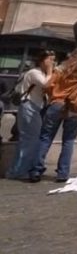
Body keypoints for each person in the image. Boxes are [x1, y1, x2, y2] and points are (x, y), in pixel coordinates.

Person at [30, 50, 77, 183]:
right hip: (76, 107)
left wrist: (52, 92)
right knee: (68, 140)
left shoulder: (61, 68)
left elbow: (48, 84)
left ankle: (36, 171)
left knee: (46, 138)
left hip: (57, 103)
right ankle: (62, 173)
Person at [5, 50, 54, 180]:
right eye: (49, 60)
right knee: (29, 141)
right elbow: (46, 84)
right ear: (42, 61)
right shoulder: (34, 73)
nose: (52, 62)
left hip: (35, 107)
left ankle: (17, 170)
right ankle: (18, 172)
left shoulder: (41, 73)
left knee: (29, 141)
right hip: (29, 106)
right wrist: (50, 71)